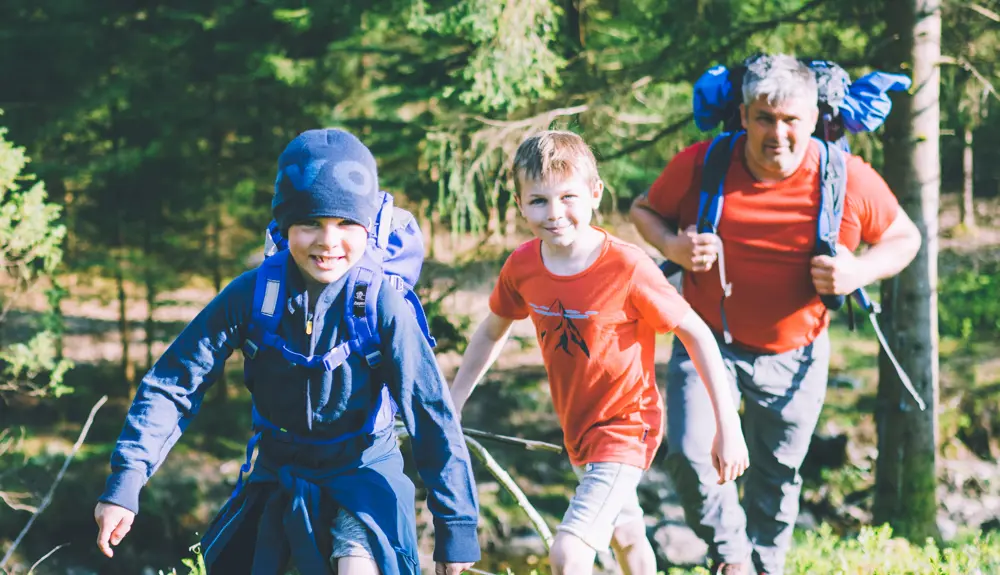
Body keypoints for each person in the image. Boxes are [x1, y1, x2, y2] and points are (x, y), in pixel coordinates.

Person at [93, 128, 481, 575]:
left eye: (345, 224)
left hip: (364, 472)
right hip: (277, 474)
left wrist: (456, 526)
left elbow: (430, 413)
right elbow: (174, 385)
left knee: (358, 568)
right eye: (310, 222)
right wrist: (125, 482)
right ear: (283, 225)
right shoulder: (253, 295)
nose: (328, 242)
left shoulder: (380, 304)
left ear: (369, 226)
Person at [630, 54, 922, 575]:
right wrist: (675, 246)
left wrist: (858, 271)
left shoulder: (845, 177)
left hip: (798, 354)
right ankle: (733, 556)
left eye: (791, 121)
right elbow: (643, 211)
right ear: (743, 116)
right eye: (765, 118)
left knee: (777, 474)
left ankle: (765, 566)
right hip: (707, 345)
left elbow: (905, 238)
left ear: (814, 120)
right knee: (692, 457)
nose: (777, 133)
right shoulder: (704, 163)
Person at [449, 130, 750, 575]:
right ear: (519, 204)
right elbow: (492, 330)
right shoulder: (523, 266)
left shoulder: (626, 267)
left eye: (568, 197)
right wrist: (451, 405)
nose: (554, 214)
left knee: (569, 553)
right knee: (626, 536)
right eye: (538, 201)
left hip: (628, 426)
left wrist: (729, 427)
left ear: (595, 194)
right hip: (577, 428)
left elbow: (698, 334)